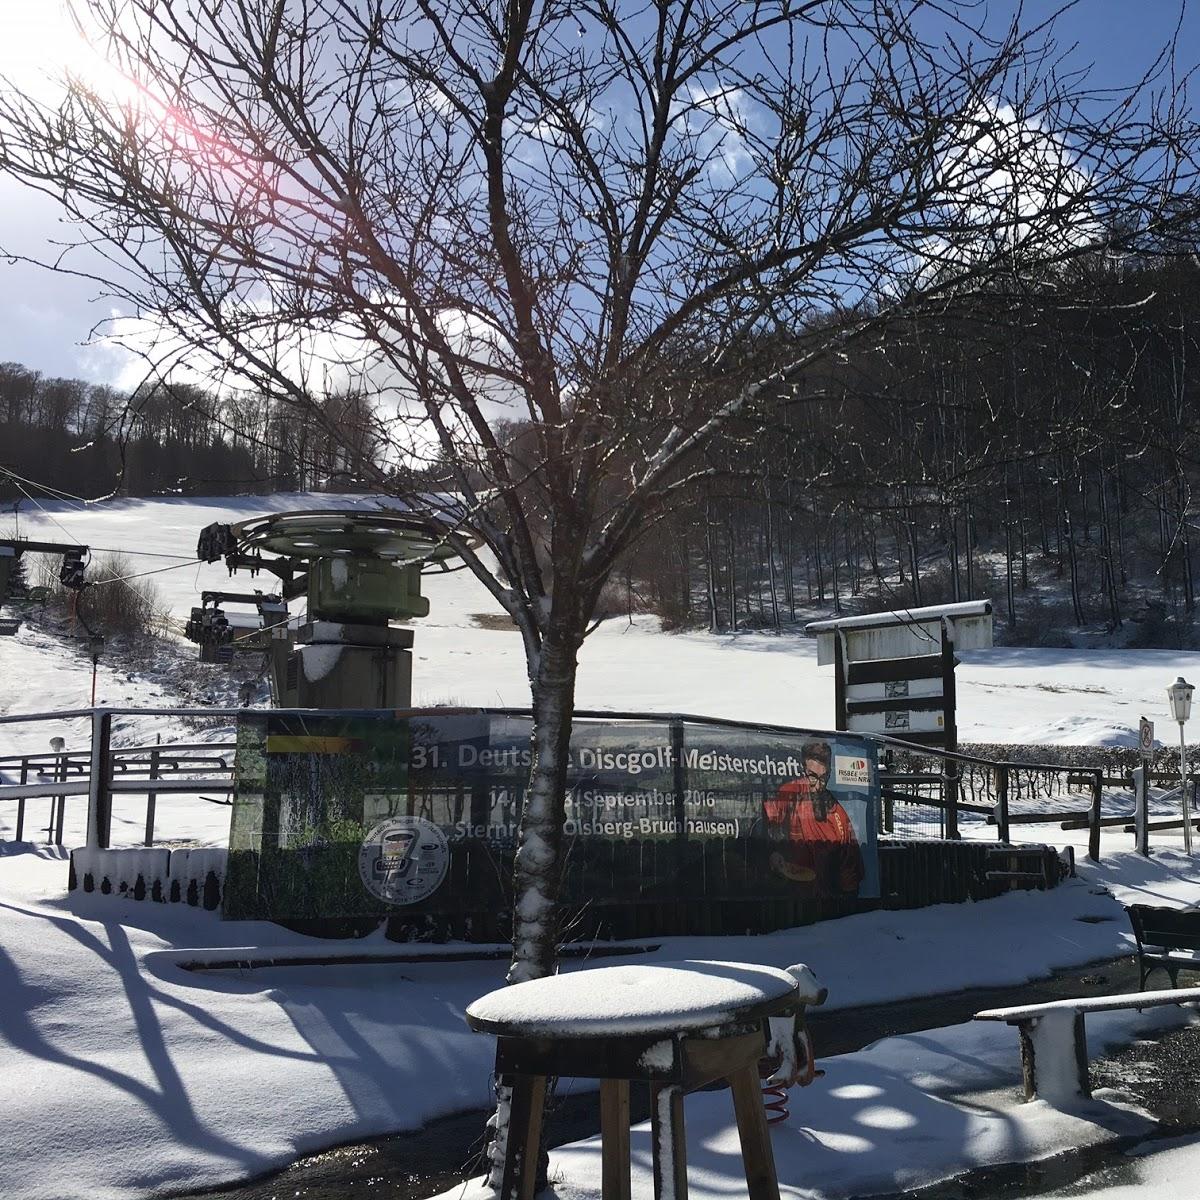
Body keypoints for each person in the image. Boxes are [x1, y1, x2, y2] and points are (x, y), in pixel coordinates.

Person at [764, 741, 865, 897]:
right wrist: (772, 852)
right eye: (812, 777)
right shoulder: (789, 794)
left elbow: (850, 868)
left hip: (824, 899)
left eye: (823, 778)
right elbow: (763, 827)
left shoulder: (838, 814)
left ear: (829, 774)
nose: (818, 786)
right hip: (787, 897)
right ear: (803, 770)